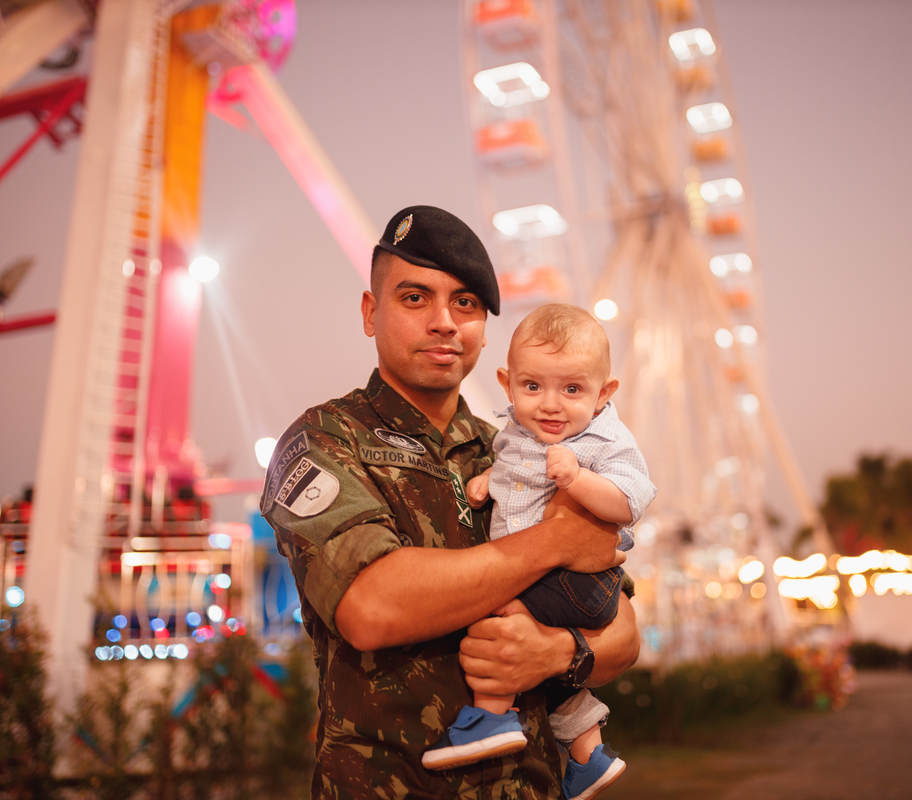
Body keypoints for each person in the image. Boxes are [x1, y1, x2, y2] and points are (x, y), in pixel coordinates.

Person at [262, 206, 639, 800]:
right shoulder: (324, 441)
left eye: (465, 303)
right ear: (370, 312)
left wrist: (554, 654)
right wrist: (555, 541)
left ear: (485, 328)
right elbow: (372, 605)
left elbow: (623, 632)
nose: (444, 322)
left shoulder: (519, 451)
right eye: (415, 298)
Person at [421, 304, 655, 800]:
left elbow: (632, 499)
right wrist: (489, 479)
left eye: (572, 389)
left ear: (603, 394)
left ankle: (492, 715)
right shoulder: (515, 433)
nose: (550, 405)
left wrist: (579, 480)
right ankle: (590, 754)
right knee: (546, 667)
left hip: (582, 583)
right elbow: (516, 473)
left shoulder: (601, 439)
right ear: (508, 385)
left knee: (492, 609)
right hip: (553, 577)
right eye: (533, 387)